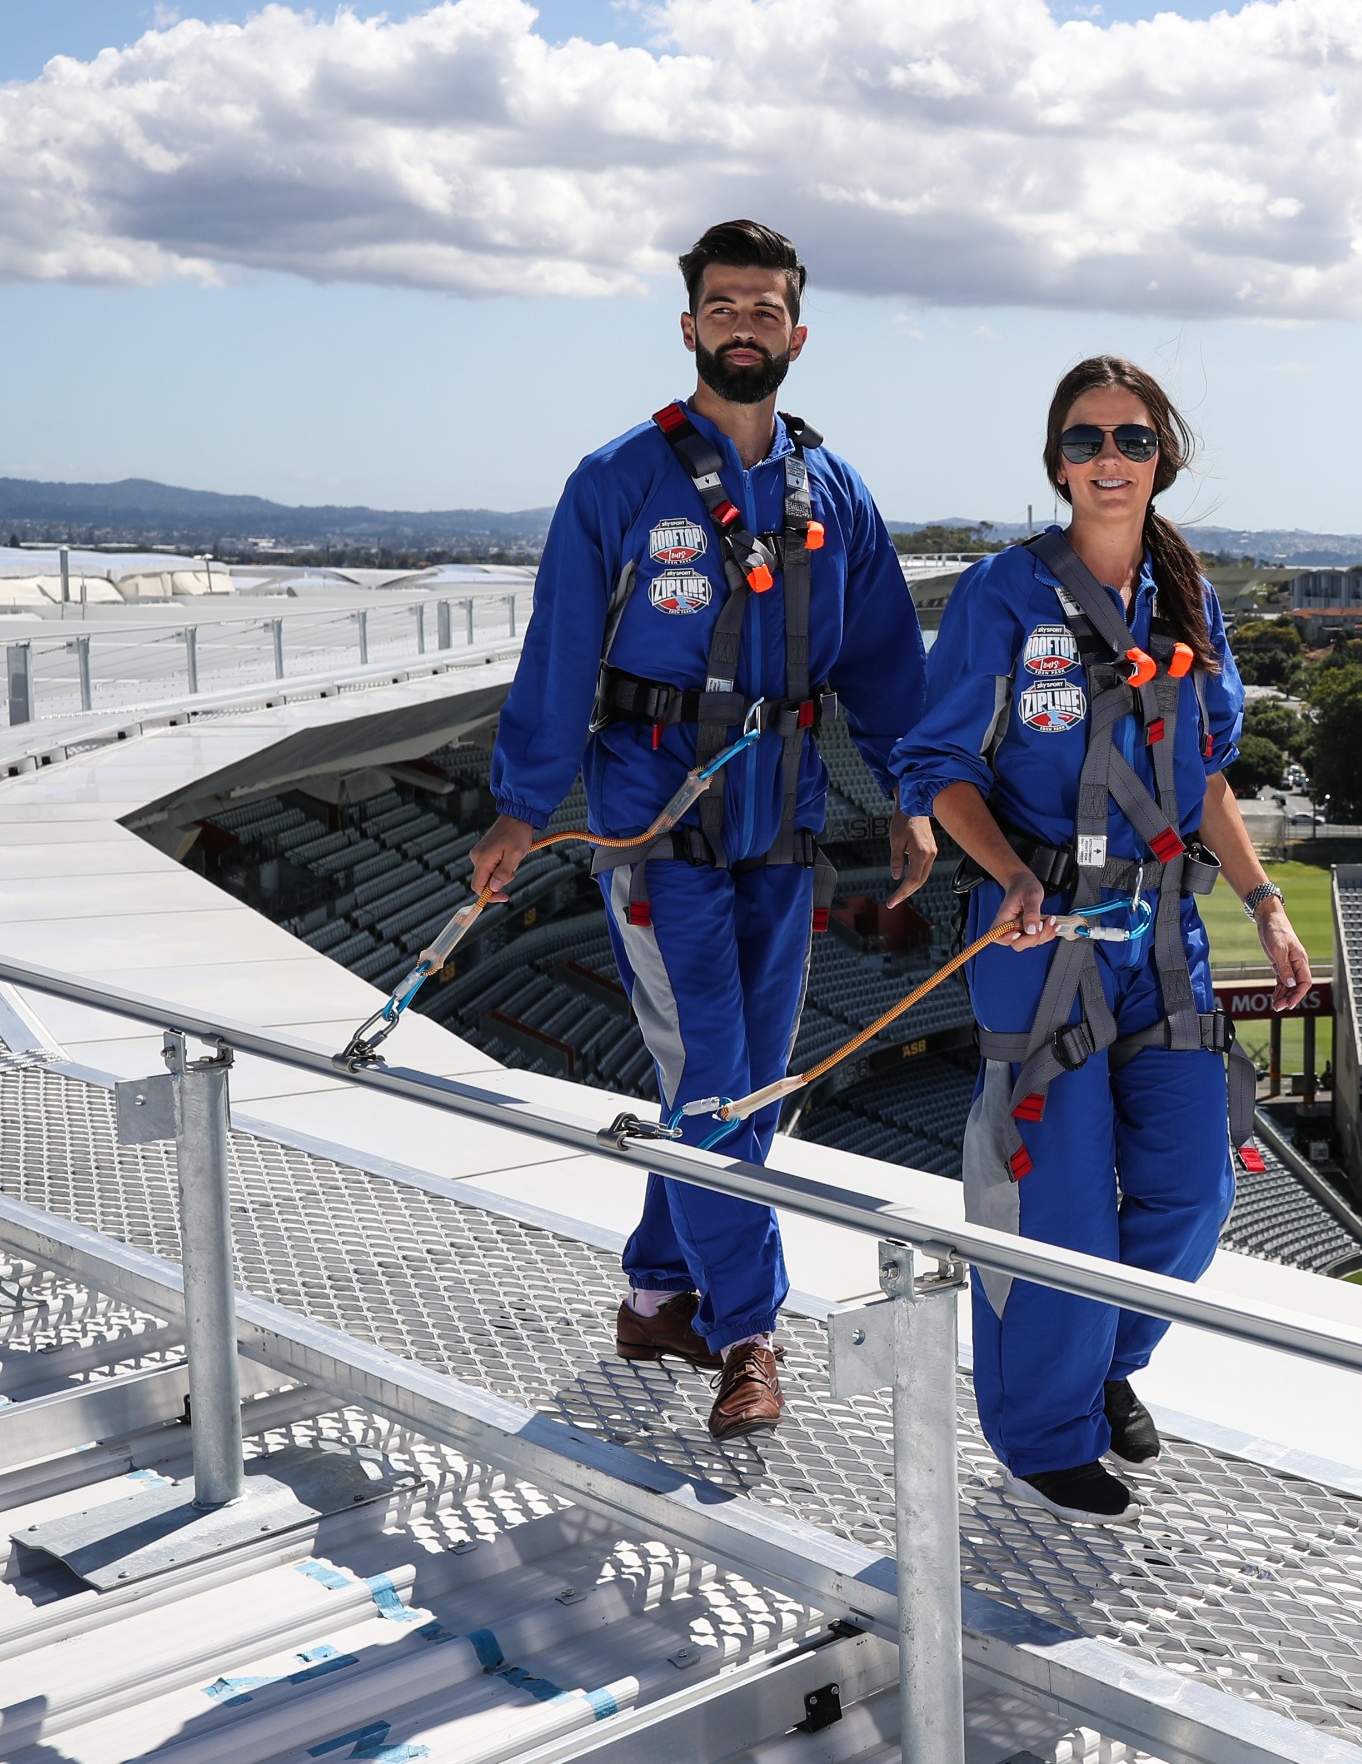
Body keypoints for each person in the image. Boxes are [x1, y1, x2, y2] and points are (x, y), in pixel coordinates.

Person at [470, 219, 934, 1441]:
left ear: (796, 332)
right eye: (723, 305)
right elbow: (560, 655)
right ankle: (749, 1336)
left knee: (744, 1093)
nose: (744, 323)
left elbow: (889, 665)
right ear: (689, 327)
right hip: (654, 826)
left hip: (780, 823)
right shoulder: (618, 483)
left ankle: (654, 1291)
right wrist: (523, 810)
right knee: (721, 1087)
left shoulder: (835, 493)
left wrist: (911, 794)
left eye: (765, 307)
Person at [892, 355, 1311, 1525]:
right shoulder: (1001, 597)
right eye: (1085, 441)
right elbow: (935, 768)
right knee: (1059, 1203)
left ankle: (1104, 1364)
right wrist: (1012, 871)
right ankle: (1044, 1436)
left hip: (1166, 931)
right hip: (1045, 937)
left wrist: (1265, 901)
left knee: (1190, 1191)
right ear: (1055, 461)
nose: (1108, 460)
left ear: (1161, 457)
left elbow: (1210, 774)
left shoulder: (1191, 601)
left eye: (1130, 440)